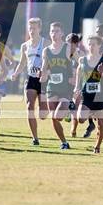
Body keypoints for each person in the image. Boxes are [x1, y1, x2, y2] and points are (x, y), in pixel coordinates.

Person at [74, 35, 103, 153]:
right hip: (86, 95)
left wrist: (102, 73)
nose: (91, 46)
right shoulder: (82, 60)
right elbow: (79, 73)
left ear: (99, 46)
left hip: (100, 96)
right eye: (89, 44)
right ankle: (91, 115)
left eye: (94, 44)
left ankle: (97, 146)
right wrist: (77, 87)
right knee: (81, 119)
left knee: (101, 125)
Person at [11, 18, 49, 145]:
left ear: (40, 28)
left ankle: (45, 106)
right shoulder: (25, 46)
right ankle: (35, 138)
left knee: (43, 114)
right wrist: (15, 73)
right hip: (30, 79)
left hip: (43, 80)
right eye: (30, 28)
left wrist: (45, 71)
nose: (32, 31)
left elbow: (51, 62)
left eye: (34, 28)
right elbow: (22, 62)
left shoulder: (45, 43)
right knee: (29, 107)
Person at [40, 22, 73, 150]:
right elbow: (44, 68)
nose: (54, 34)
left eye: (57, 31)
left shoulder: (67, 48)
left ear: (62, 33)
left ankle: (69, 110)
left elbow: (79, 61)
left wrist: (75, 75)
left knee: (58, 115)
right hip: (52, 88)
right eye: (52, 31)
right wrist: (42, 74)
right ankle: (64, 142)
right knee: (54, 118)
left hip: (65, 88)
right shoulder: (46, 51)